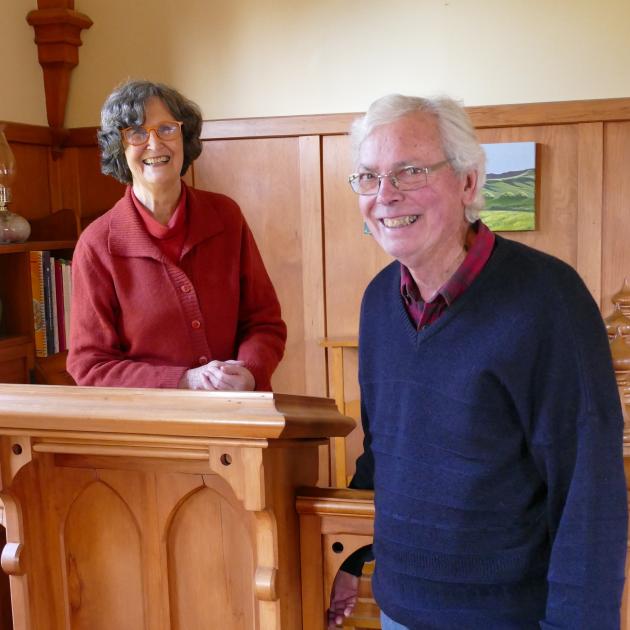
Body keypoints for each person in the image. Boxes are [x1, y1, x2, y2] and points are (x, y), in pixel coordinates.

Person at [328, 94, 628, 629]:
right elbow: (384, 452)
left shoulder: (548, 298)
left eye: (409, 171)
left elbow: (589, 492)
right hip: (397, 611)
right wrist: (350, 557)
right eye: (368, 177)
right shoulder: (378, 300)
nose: (385, 195)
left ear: (467, 183)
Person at [67, 80, 286, 391]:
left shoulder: (226, 216)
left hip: (235, 415)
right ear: (120, 148)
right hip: (152, 429)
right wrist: (186, 381)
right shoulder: (97, 244)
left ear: (185, 137)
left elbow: (264, 322)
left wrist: (249, 371)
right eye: (137, 134)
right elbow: (90, 366)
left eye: (167, 129)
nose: (155, 145)